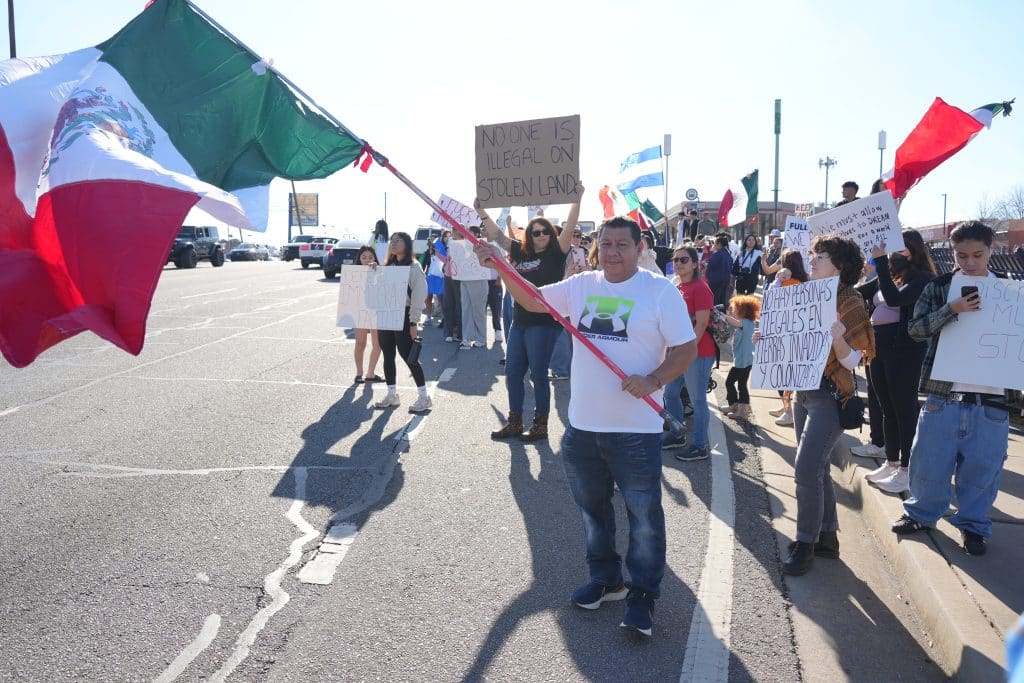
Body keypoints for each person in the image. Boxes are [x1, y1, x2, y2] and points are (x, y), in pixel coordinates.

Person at [474, 216, 697, 638]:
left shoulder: (659, 290)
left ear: (639, 248)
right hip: (582, 428)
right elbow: (534, 301)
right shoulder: (581, 285)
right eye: (606, 244)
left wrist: (654, 380)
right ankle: (606, 580)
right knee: (594, 513)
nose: (612, 252)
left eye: (622, 245)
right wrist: (499, 266)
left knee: (643, 517)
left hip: (637, 431)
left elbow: (685, 348)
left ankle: (643, 594)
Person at [892, 221, 1011, 557]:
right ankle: (920, 514)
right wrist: (951, 310)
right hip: (943, 394)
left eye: (977, 255)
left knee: (982, 469)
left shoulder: (1009, 291)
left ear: (991, 250)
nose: (969, 262)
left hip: (991, 398)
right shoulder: (940, 287)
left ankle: (973, 525)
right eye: (961, 255)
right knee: (929, 461)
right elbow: (915, 329)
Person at [782, 235, 875, 576]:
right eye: (813, 254)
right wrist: (769, 338)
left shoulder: (850, 301)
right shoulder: (805, 294)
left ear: (840, 265)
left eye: (820, 256)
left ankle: (805, 543)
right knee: (817, 469)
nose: (812, 260)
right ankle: (827, 538)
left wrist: (837, 337)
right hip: (803, 392)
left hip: (831, 394)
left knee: (806, 469)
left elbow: (853, 362)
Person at [476, 187, 582, 440]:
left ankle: (540, 425)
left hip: (544, 323)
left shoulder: (557, 253)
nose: (542, 235)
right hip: (520, 321)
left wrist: (577, 200)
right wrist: (481, 211)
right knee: (513, 372)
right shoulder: (520, 252)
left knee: (538, 374)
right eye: (536, 232)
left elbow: (569, 227)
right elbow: (497, 236)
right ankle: (514, 422)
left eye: (546, 231)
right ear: (530, 236)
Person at [855, 231, 937, 493]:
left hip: (904, 349)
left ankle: (907, 469)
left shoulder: (923, 278)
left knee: (904, 409)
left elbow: (895, 299)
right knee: (886, 407)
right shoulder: (890, 274)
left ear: (914, 251)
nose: (894, 254)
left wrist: (880, 263)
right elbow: (858, 292)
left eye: (901, 249)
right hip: (878, 346)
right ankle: (891, 462)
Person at [664, 245, 716, 460]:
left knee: (697, 400)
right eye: (675, 260)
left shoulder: (700, 288)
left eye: (683, 260)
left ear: (695, 264)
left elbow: (701, 324)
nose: (678, 263)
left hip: (698, 352)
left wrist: (687, 351)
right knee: (670, 393)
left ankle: (700, 445)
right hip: (679, 351)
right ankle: (677, 434)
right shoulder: (678, 286)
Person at [373, 232, 432, 414]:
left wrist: (413, 323)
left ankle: (424, 397)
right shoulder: (388, 266)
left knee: (408, 356)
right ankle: (392, 394)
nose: (393, 243)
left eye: (398, 241)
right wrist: (374, 271)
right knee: (388, 354)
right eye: (392, 240)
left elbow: (418, 296)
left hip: (404, 314)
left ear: (407, 244)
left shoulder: (414, 267)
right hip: (387, 313)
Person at [766, 250, 810, 427]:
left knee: (782, 374)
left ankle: (789, 412)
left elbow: (772, 300)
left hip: (783, 331)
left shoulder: (785, 282)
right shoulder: (805, 281)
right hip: (797, 332)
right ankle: (786, 406)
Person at [721, 294, 760, 420]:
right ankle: (735, 406)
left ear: (744, 310)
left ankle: (740, 409)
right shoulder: (746, 323)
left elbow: (734, 322)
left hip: (743, 362)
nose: (733, 311)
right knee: (739, 384)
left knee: (733, 383)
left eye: (735, 309)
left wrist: (722, 316)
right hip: (742, 360)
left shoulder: (746, 323)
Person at [352, 246, 383, 384]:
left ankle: (370, 373)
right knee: (360, 343)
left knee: (378, 344)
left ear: (375, 258)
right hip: (360, 311)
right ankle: (359, 373)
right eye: (364, 257)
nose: (367, 260)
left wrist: (376, 273)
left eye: (370, 257)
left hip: (376, 311)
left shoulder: (380, 272)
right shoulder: (353, 274)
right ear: (359, 259)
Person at [458, 226, 489, 350]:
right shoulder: (461, 246)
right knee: (466, 309)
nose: (466, 234)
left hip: (478, 281)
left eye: (469, 232)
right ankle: (467, 338)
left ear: (476, 234)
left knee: (478, 311)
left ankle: (481, 338)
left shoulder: (482, 245)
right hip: (464, 280)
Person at [435, 230, 462, 343]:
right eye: (452, 231)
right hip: (448, 276)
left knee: (459, 306)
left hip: (459, 278)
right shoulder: (450, 244)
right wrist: (437, 254)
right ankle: (449, 333)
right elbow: (447, 260)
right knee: (448, 305)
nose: (452, 234)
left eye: (454, 231)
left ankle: (460, 334)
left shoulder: (465, 244)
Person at [705, 235, 732, 307]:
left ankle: (715, 313)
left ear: (719, 244)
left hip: (715, 281)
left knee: (715, 301)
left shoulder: (717, 254)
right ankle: (722, 313)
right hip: (725, 280)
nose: (714, 245)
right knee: (722, 300)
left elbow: (710, 267)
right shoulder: (728, 254)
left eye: (715, 243)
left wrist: (707, 276)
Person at [425, 237, 445, 326]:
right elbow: (424, 264)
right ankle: (428, 317)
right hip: (429, 276)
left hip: (439, 277)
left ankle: (444, 318)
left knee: (441, 298)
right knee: (428, 297)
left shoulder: (440, 250)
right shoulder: (427, 253)